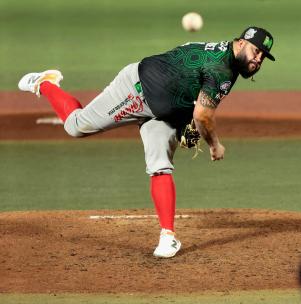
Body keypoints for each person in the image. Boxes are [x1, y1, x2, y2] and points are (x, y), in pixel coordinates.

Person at [17, 27, 276, 258]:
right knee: (76, 126)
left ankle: (167, 237)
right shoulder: (221, 69)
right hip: (136, 91)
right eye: (256, 51)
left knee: (160, 164)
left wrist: (182, 118)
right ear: (241, 43)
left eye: (263, 56)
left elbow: (186, 74)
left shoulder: (223, 57)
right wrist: (214, 144)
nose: (258, 59)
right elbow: (203, 115)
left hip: (163, 110)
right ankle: (46, 84)